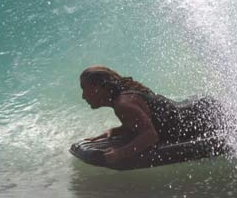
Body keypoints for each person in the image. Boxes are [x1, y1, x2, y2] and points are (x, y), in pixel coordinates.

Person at [80, 65, 225, 164]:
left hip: (203, 116)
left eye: (84, 88)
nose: (83, 96)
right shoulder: (123, 99)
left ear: (99, 87)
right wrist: (114, 131)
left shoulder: (123, 104)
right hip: (200, 109)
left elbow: (150, 135)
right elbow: (146, 121)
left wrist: (119, 153)